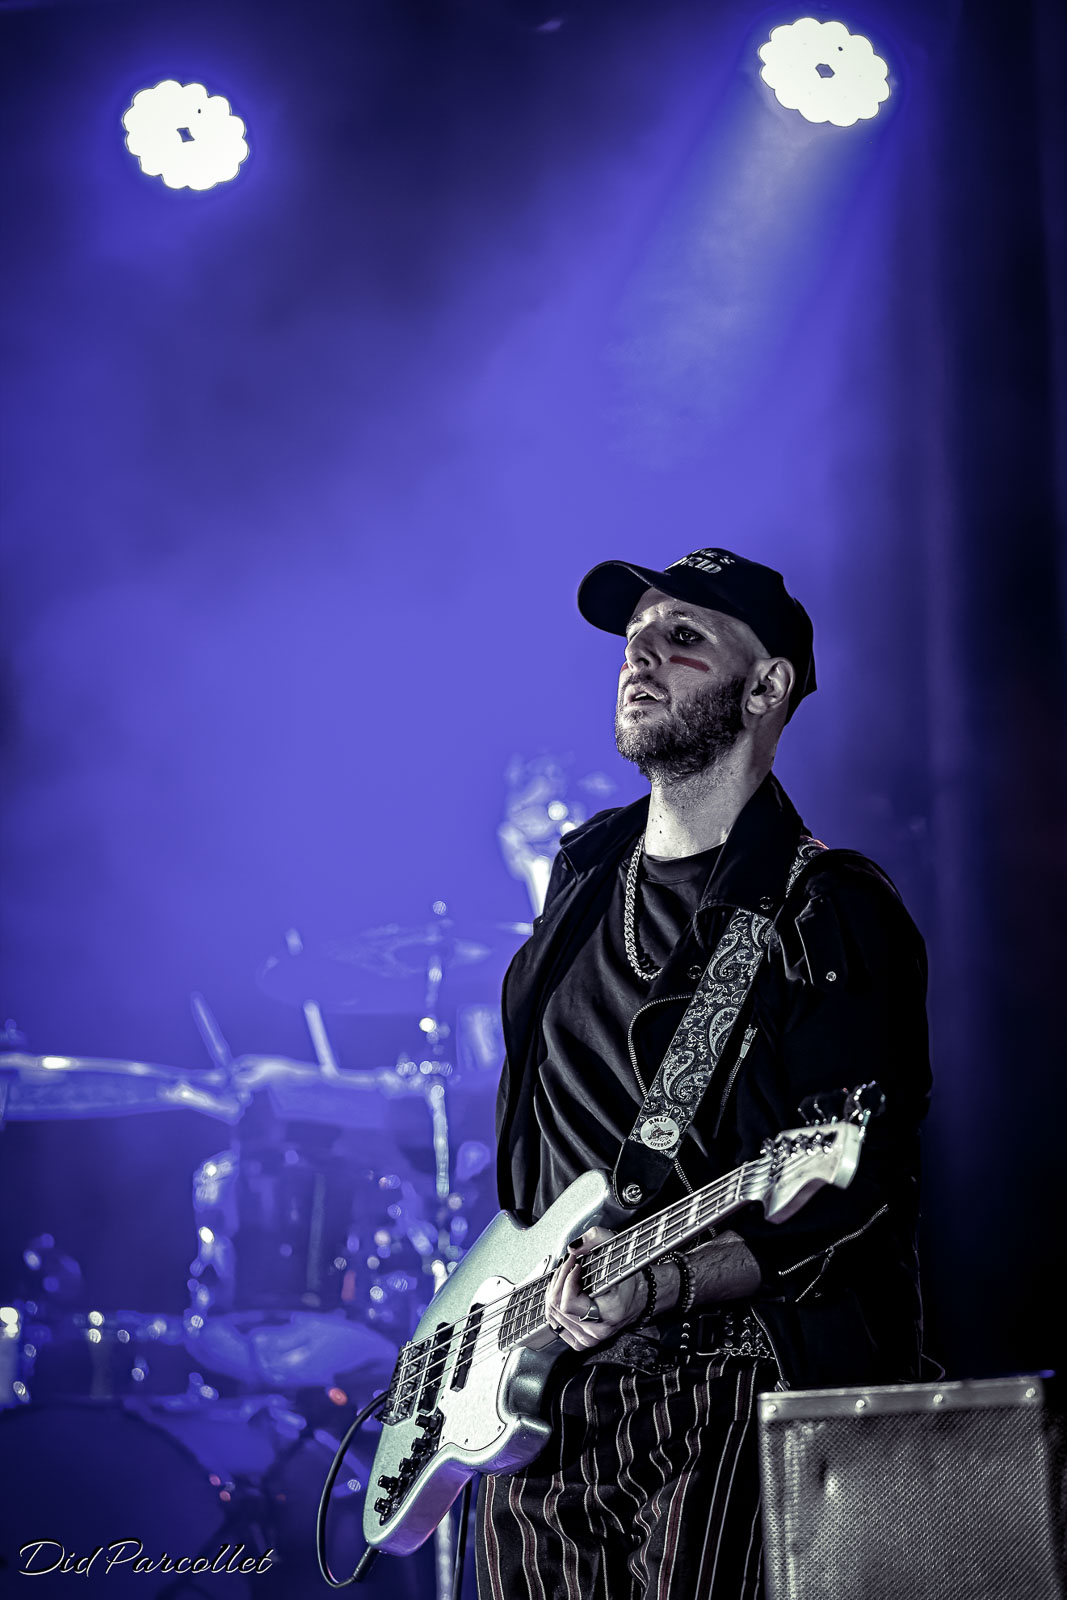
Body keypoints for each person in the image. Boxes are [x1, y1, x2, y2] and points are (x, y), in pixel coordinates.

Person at [476, 548, 932, 1600]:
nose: (639, 657)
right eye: (633, 639)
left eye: (682, 638)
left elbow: (849, 1191)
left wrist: (658, 1281)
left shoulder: (829, 910)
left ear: (765, 686)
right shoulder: (582, 874)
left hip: (717, 1383)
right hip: (532, 1392)